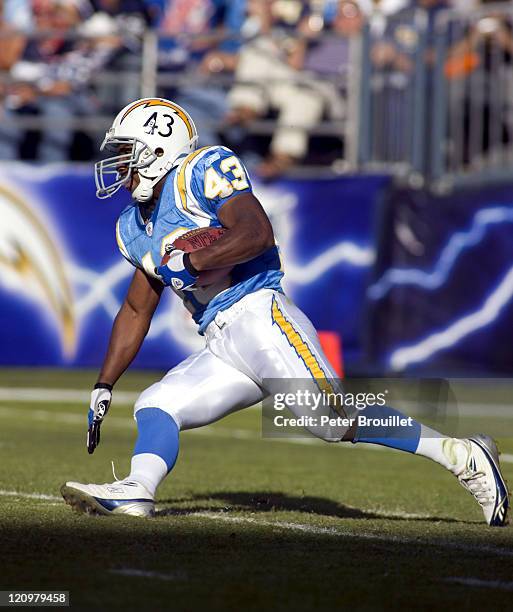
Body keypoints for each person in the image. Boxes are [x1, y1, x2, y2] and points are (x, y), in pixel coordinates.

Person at [61, 97, 509, 527]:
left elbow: (256, 232)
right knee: (157, 403)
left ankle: (463, 454)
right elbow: (138, 307)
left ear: (158, 151)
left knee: (330, 422)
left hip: (260, 317)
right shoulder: (132, 225)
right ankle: (138, 490)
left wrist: (195, 259)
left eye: (127, 153)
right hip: (219, 340)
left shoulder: (200, 171)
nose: (119, 166)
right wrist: (105, 384)